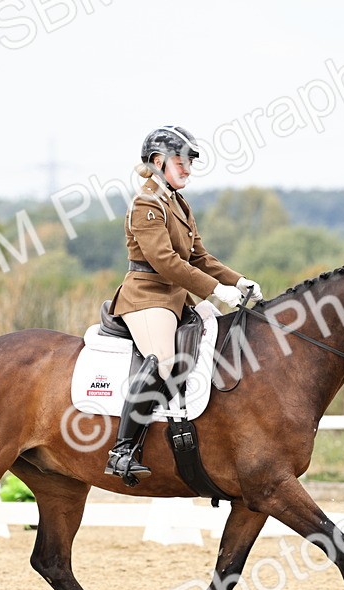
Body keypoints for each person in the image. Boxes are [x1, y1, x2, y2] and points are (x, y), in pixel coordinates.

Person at [104, 126, 260, 484]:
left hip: (176, 296)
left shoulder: (177, 201)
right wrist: (215, 291)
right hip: (147, 296)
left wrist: (238, 280)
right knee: (164, 361)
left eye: (189, 162)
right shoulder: (147, 203)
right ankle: (123, 450)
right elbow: (165, 261)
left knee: (219, 339)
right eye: (182, 161)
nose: (188, 168)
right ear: (158, 162)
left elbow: (199, 256)